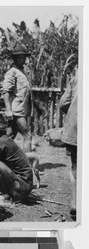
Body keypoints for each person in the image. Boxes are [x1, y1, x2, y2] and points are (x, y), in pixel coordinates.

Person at [2, 43, 33, 153]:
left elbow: (26, 92)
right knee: (27, 136)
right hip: (16, 111)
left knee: (9, 136)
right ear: (14, 59)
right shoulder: (12, 72)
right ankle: (28, 165)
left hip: (21, 109)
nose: (22, 59)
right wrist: (8, 110)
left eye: (23, 57)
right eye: (19, 57)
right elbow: (5, 91)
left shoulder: (23, 72)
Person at [59, 69, 78, 219]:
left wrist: (74, 115)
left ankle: (75, 203)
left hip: (76, 129)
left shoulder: (77, 77)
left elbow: (63, 103)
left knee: (75, 167)